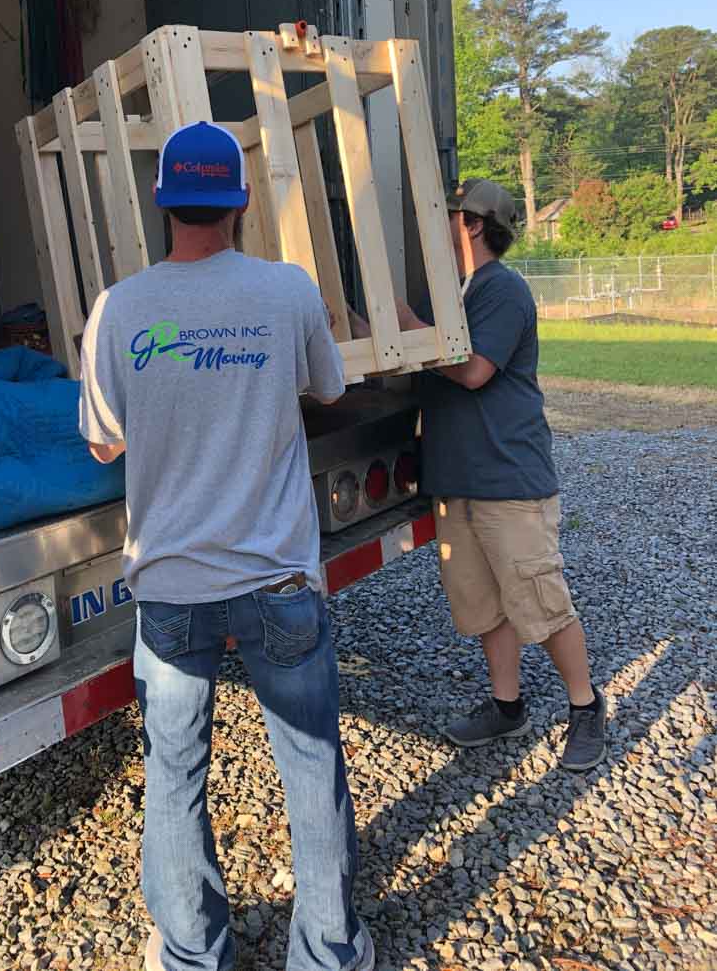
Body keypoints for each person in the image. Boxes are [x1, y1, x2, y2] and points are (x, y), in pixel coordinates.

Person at [79, 120, 374, 971]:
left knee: (174, 776)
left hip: (171, 586)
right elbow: (327, 385)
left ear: (164, 201)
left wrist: (168, 405)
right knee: (311, 766)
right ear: (240, 203)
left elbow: (103, 443)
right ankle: (325, 953)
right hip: (279, 577)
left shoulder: (119, 307)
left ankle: (190, 955)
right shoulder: (287, 291)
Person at [352, 177, 607, 772]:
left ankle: (587, 707)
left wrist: (412, 326)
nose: (442, 226)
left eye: (450, 216)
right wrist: (360, 326)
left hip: (509, 482)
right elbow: (414, 360)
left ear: (472, 224)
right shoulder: (463, 294)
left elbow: (472, 372)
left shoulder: (501, 291)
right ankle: (506, 705)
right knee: (483, 606)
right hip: (459, 483)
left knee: (542, 605)